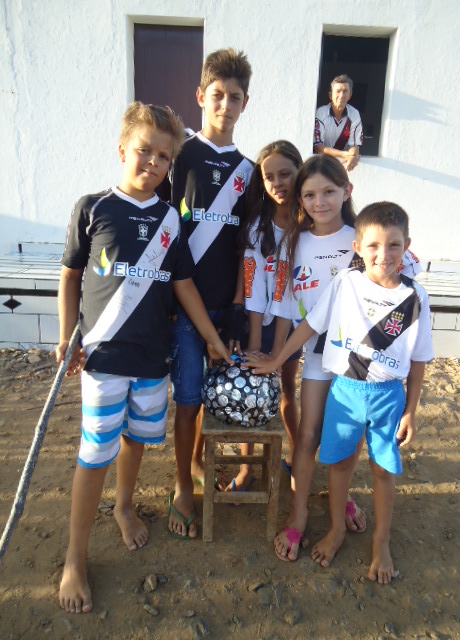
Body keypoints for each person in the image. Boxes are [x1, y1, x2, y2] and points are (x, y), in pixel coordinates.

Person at [56, 102, 232, 614]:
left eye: (163, 156)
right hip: (104, 359)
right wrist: (66, 337)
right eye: (144, 150)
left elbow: (184, 285)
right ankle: (74, 558)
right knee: (95, 453)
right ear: (122, 150)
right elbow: (70, 276)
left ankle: (124, 507)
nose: (153, 162)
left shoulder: (170, 220)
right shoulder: (93, 208)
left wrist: (212, 339)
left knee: (136, 439)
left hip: (154, 362)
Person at [249, 201, 434, 584]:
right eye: (374, 245)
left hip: (388, 396)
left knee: (383, 471)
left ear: (407, 245)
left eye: (394, 245)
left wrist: (411, 410)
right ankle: (335, 531)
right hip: (345, 393)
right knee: (340, 466)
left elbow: (419, 360)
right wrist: (277, 359)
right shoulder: (346, 283)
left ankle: (381, 542)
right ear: (357, 247)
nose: (384, 255)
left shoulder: (415, 297)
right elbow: (310, 325)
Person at [245, 154, 368, 561]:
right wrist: (276, 357)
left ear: (346, 192)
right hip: (315, 355)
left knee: (346, 437)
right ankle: (298, 515)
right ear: (300, 199)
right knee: (308, 435)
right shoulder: (293, 242)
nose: (320, 202)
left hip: (358, 363)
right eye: (310, 195)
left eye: (328, 192)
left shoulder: (362, 239)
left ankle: (341, 498)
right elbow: (283, 303)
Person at [169, 49, 253, 535]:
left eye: (234, 97)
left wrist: (239, 307)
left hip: (227, 307)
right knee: (188, 401)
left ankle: (201, 460)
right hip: (184, 308)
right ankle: (183, 484)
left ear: (245, 103)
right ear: (201, 96)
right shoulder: (180, 156)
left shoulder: (248, 171)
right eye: (217, 95)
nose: (225, 104)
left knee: (221, 397)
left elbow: (247, 247)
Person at [230, 141, 304, 492]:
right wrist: (258, 347)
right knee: (253, 387)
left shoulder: (308, 227)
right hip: (257, 320)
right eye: (269, 176)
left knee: (287, 388)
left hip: (293, 326)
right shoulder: (257, 226)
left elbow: (291, 292)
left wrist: (277, 354)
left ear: (300, 172)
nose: (277, 183)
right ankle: (247, 469)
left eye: (285, 174)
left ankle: (298, 457)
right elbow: (253, 287)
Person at [313, 74, 363, 172]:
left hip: (341, 167)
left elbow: (354, 145)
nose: (342, 95)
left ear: (350, 95)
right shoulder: (321, 113)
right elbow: (318, 146)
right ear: (330, 95)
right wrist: (344, 154)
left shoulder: (354, 114)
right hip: (321, 165)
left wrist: (353, 155)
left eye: (345, 91)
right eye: (338, 91)